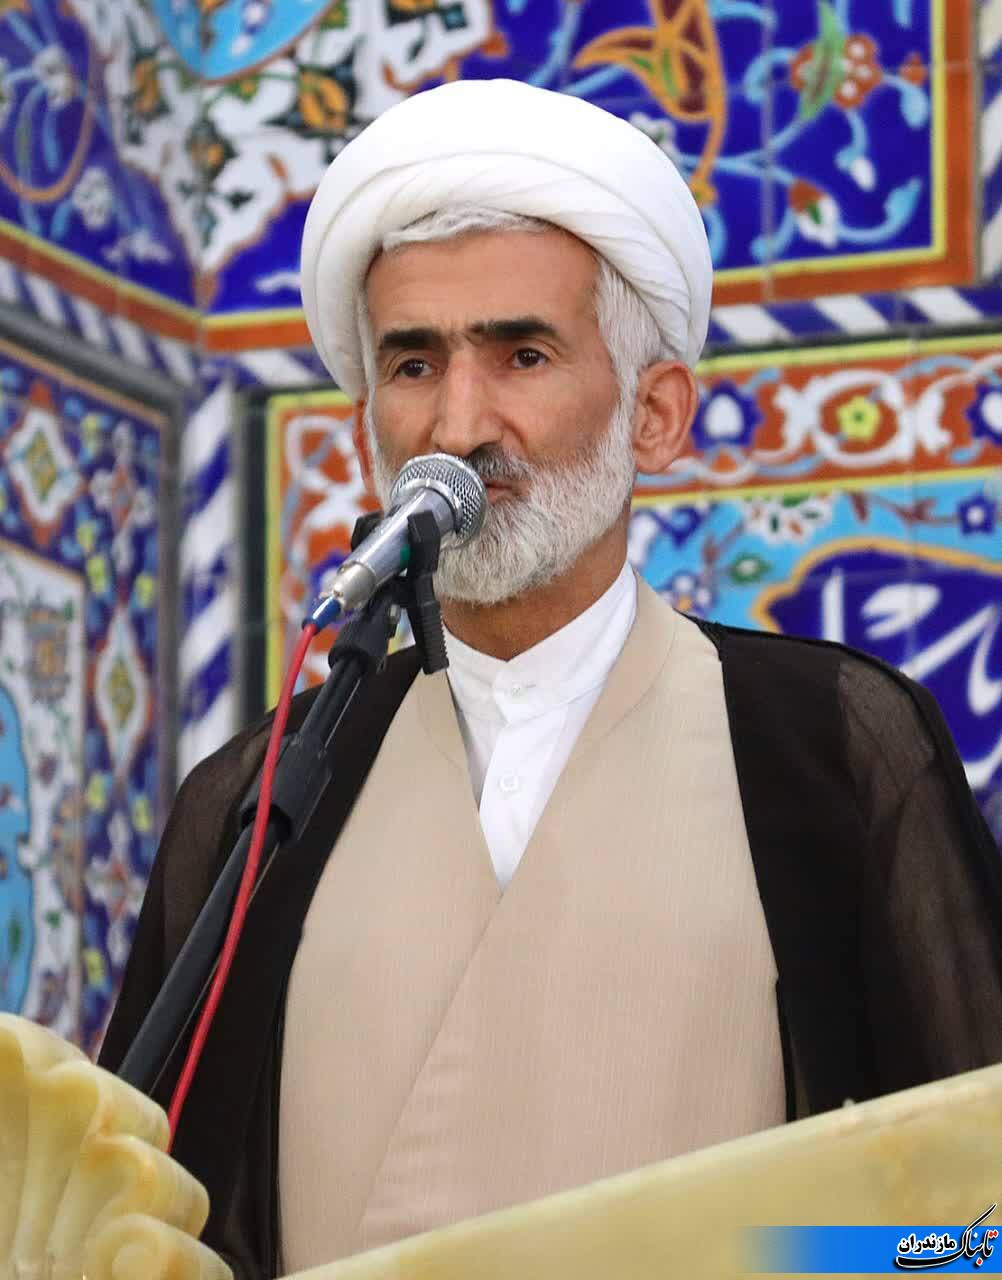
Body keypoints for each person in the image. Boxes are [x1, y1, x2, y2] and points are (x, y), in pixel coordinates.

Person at [99, 79, 1002, 1280]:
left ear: (655, 413)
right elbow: (141, 1215)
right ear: (368, 419)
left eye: (522, 353)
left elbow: (969, 1224)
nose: (458, 421)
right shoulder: (255, 798)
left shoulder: (837, 742)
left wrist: (741, 1259)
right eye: (413, 363)